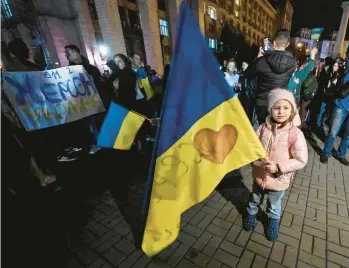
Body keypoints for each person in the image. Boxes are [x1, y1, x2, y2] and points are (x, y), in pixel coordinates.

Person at [243, 89, 308, 241]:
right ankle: (251, 214)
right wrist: (255, 160)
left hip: (279, 180)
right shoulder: (262, 128)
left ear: (292, 110)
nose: (281, 112)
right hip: (259, 176)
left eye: (286, 108)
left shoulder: (295, 134)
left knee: (273, 204)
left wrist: (278, 167)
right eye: (276, 108)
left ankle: (272, 221)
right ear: (270, 109)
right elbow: (253, 148)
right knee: (254, 198)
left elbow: (301, 160)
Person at [252, 29, 297, 124]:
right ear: (287, 44)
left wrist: (259, 58)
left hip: (262, 103)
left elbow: (250, 74)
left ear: (274, 42)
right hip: (279, 102)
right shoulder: (293, 63)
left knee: (263, 130)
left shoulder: (262, 60)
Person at [320, 47, 349, 166]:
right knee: (333, 131)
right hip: (341, 106)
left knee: (348, 135)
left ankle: (341, 154)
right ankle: (326, 153)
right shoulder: (347, 69)